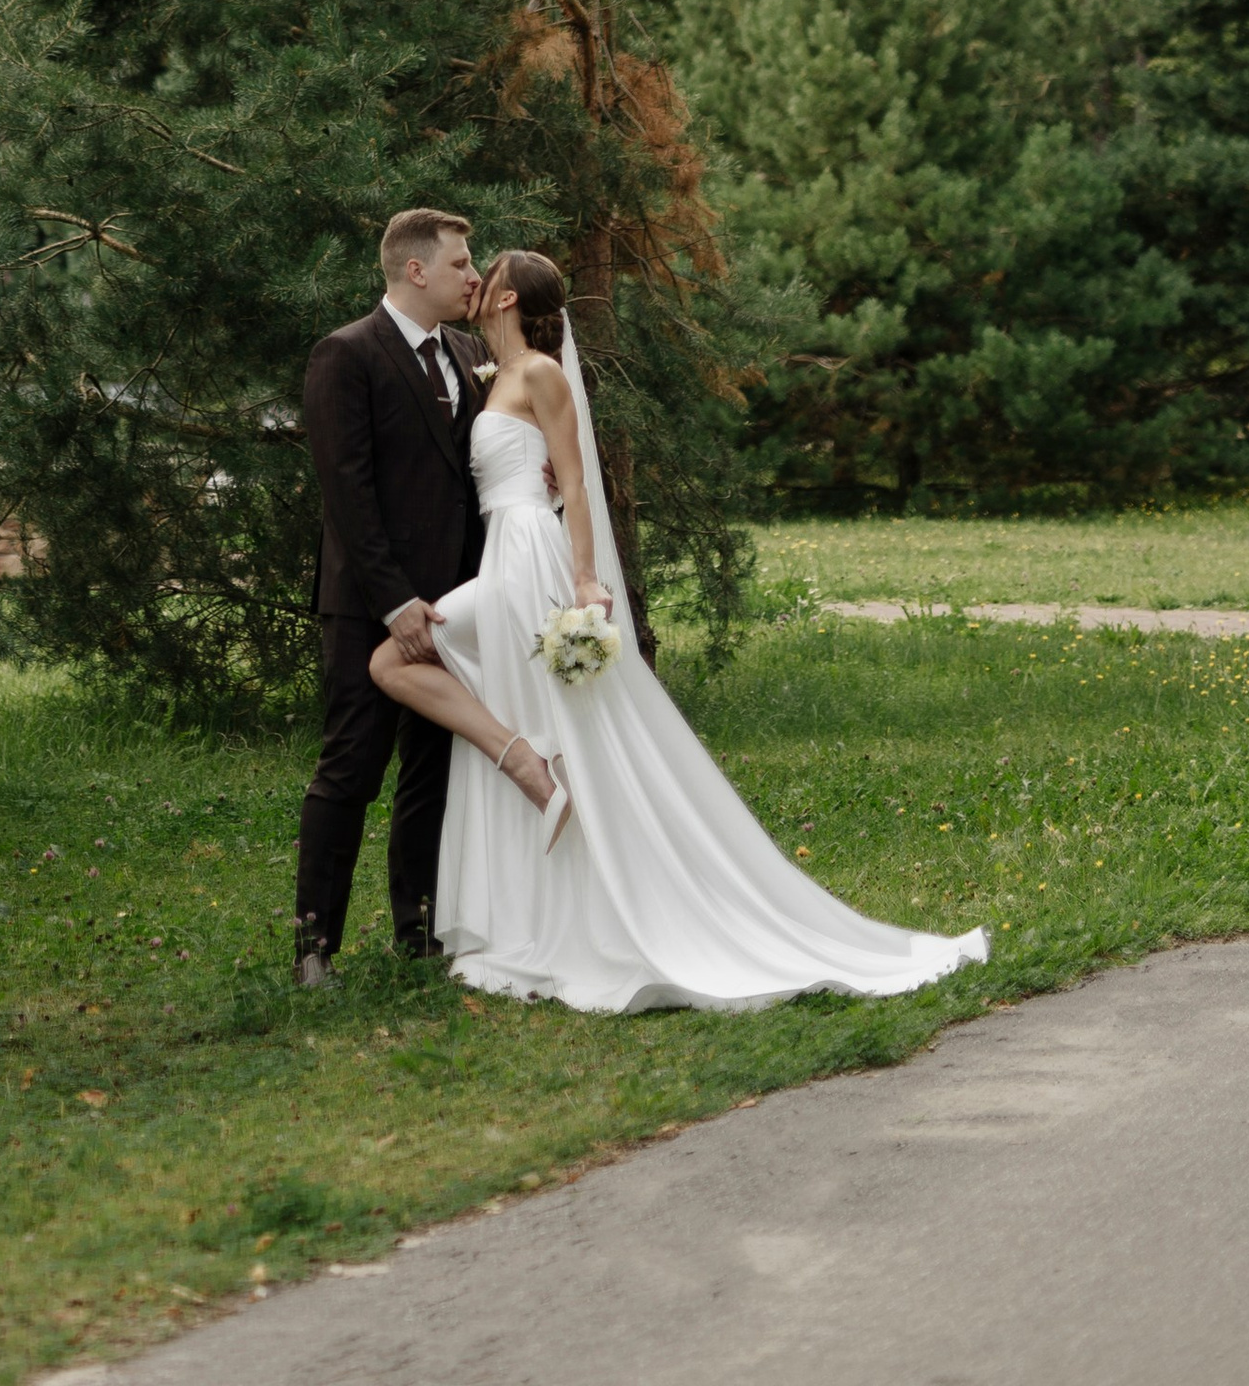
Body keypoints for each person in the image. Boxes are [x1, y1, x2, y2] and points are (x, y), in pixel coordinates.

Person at [367, 247, 991, 1013]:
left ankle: (553, 802)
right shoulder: (489, 378)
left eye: (480, 272)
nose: (471, 280)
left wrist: (588, 579)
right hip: (503, 553)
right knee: (425, 673)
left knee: (414, 669)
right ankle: (526, 777)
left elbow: (579, 479)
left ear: (504, 298)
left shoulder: (539, 374)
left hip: (532, 558)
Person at [293, 206, 494, 982]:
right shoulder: (345, 355)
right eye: (460, 263)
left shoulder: (472, 352)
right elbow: (347, 492)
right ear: (415, 270)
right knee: (352, 766)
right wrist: (394, 602)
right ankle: (315, 946)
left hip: (458, 604)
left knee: (434, 768)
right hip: (369, 607)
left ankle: (419, 928)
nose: (473, 276)